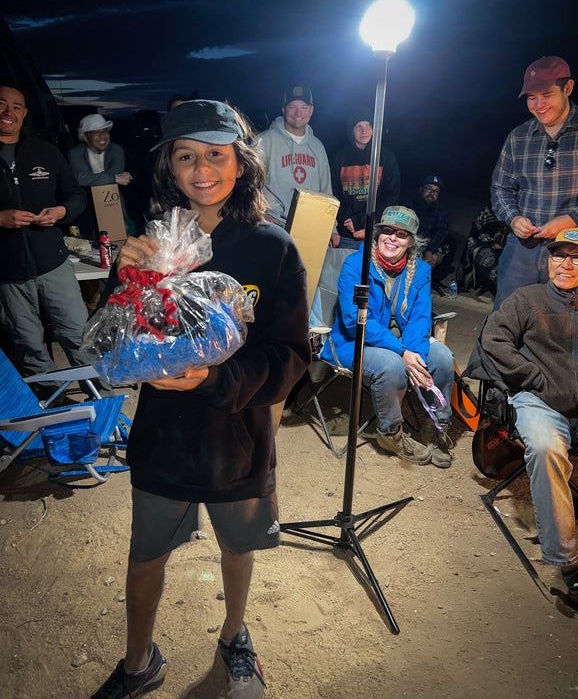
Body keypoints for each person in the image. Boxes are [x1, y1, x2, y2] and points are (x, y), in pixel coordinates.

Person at [89, 99, 311, 699]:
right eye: (185, 156)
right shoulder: (156, 242)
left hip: (237, 442)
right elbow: (117, 338)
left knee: (238, 547)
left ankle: (235, 636)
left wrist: (214, 380)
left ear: (241, 162)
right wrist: (123, 278)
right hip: (163, 438)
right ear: (168, 167)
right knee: (145, 556)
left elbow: (291, 358)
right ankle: (139, 660)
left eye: (216, 154)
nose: (202, 169)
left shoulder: (273, 248)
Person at [481, 227, 578, 616]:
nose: (564, 264)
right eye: (557, 256)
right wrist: (532, 378)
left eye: (576, 257)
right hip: (542, 404)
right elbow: (493, 340)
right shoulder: (527, 300)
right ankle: (569, 565)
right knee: (547, 448)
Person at [322, 206, 455, 468]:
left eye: (402, 235)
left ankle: (435, 424)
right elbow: (354, 320)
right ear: (378, 234)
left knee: (442, 356)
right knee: (391, 365)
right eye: (387, 231)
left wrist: (414, 352)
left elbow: (419, 318)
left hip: (401, 340)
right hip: (354, 341)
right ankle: (391, 434)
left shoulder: (421, 271)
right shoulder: (355, 266)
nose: (393, 238)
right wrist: (402, 353)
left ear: (412, 242)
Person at [0, 81, 101, 381]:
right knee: (28, 346)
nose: (9, 112)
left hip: (53, 264)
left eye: (17, 107)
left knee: (80, 336)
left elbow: (77, 196)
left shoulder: (45, 152)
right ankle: (53, 410)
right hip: (7, 273)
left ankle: (104, 403)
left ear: (25, 113)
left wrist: (60, 212)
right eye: (2, 104)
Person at [491, 55, 578, 309]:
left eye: (546, 95)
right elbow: (500, 188)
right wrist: (514, 219)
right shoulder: (519, 137)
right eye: (531, 98)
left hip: (575, 246)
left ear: (568, 88)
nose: (539, 105)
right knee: (507, 315)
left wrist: (571, 219)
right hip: (524, 250)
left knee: (565, 325)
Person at [259, 85, 339, 244]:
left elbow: (326, 190)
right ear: (283, 109)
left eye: (304, 107)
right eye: (292, 107)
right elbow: (248, 185)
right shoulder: (264, 141)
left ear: (311, 110)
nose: (298, 113)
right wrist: (258, 216)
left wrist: (332, 228)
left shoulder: (317, 146)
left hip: (311, 228)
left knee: (308, 269)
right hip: (274, 226)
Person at [330, 107, 401, 249]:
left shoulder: (386, 158)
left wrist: (363, 222)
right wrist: (352, 223)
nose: (364, 131)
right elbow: (333, 195)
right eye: (358, 126)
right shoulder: (339, 159)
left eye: (369, 125)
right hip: (346, 235)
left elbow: (391, 198)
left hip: (375, 234)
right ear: (351, 130)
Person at [455, 205, 509, 296]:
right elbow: (479, 234)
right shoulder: (489, 210)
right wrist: (492, 243)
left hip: (508, 246)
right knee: (487, 256)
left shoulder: (519, 213)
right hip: (484, 244)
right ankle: (504, 291)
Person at [68, 113, 133, 189]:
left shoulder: (115, 150)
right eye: (96, 132)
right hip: (85, 196)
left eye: (105, 131)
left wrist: (90, 179)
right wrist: (114, 178)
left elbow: (116, 172)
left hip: (112, 195)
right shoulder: (76, 152)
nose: (102, 136)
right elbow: (80, 178)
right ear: (85, 137)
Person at [410, 175, 449, 269]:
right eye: (429, 189)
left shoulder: (440, 211)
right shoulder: (410, 204)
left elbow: (441, 232)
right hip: (409, 241)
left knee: (429, 261)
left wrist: (430, 250)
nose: (432, 193)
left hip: (426, 245)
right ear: (421, 189)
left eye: (436, 191)